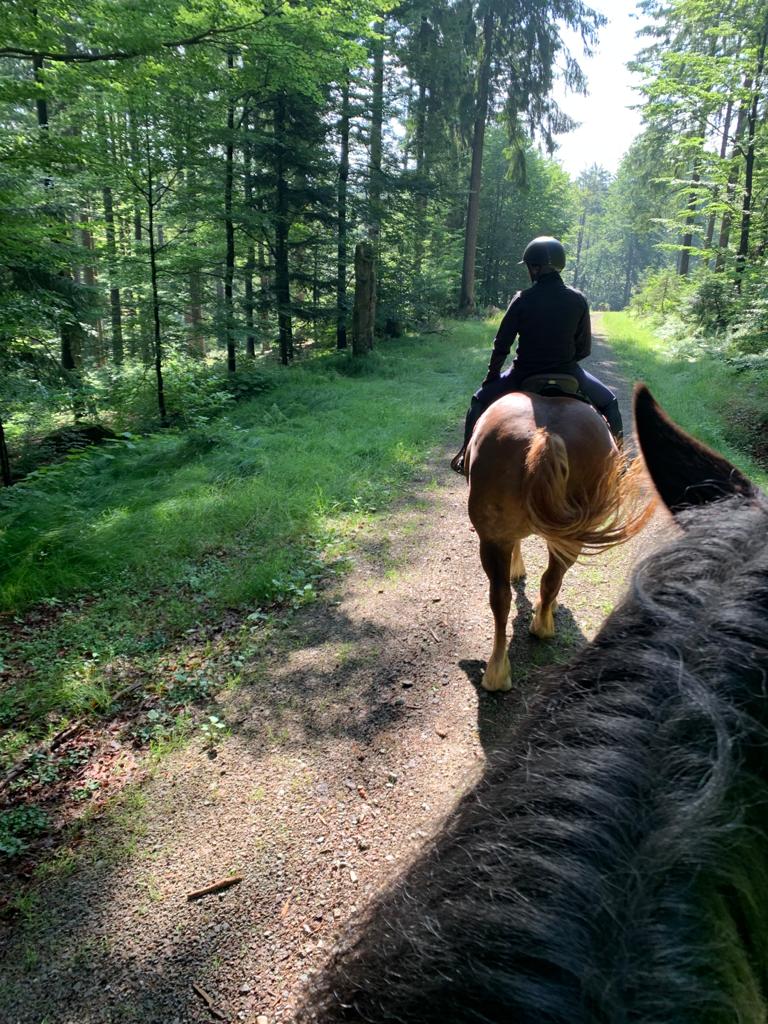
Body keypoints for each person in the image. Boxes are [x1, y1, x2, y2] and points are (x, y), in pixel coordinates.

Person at [450, 236, 623, 474]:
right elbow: (584, 349)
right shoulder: (578, 299)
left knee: (478, 401)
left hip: (523, 372)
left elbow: (502, 344)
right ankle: (619, 464)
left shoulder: (522, 299)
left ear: (535, 267)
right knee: (610, 404)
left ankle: (464, 457)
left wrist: (491, 376)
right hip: (568, 372)